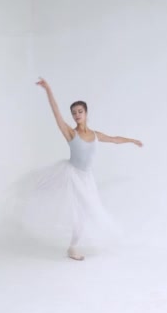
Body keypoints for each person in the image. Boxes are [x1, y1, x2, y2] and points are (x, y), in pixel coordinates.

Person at [12, 77, 143, 261]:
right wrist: (48, 89)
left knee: (89, 211)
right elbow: (56, 113)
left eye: (80, 111)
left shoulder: (95, 135)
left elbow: (114, 139)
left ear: (86, 113)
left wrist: (131, 140)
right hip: (71, 175)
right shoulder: (70, 133)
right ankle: (72, 247)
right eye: (74, 113)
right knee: (74, 211)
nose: (77, 115)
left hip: (86, 178)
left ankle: (73, 245)